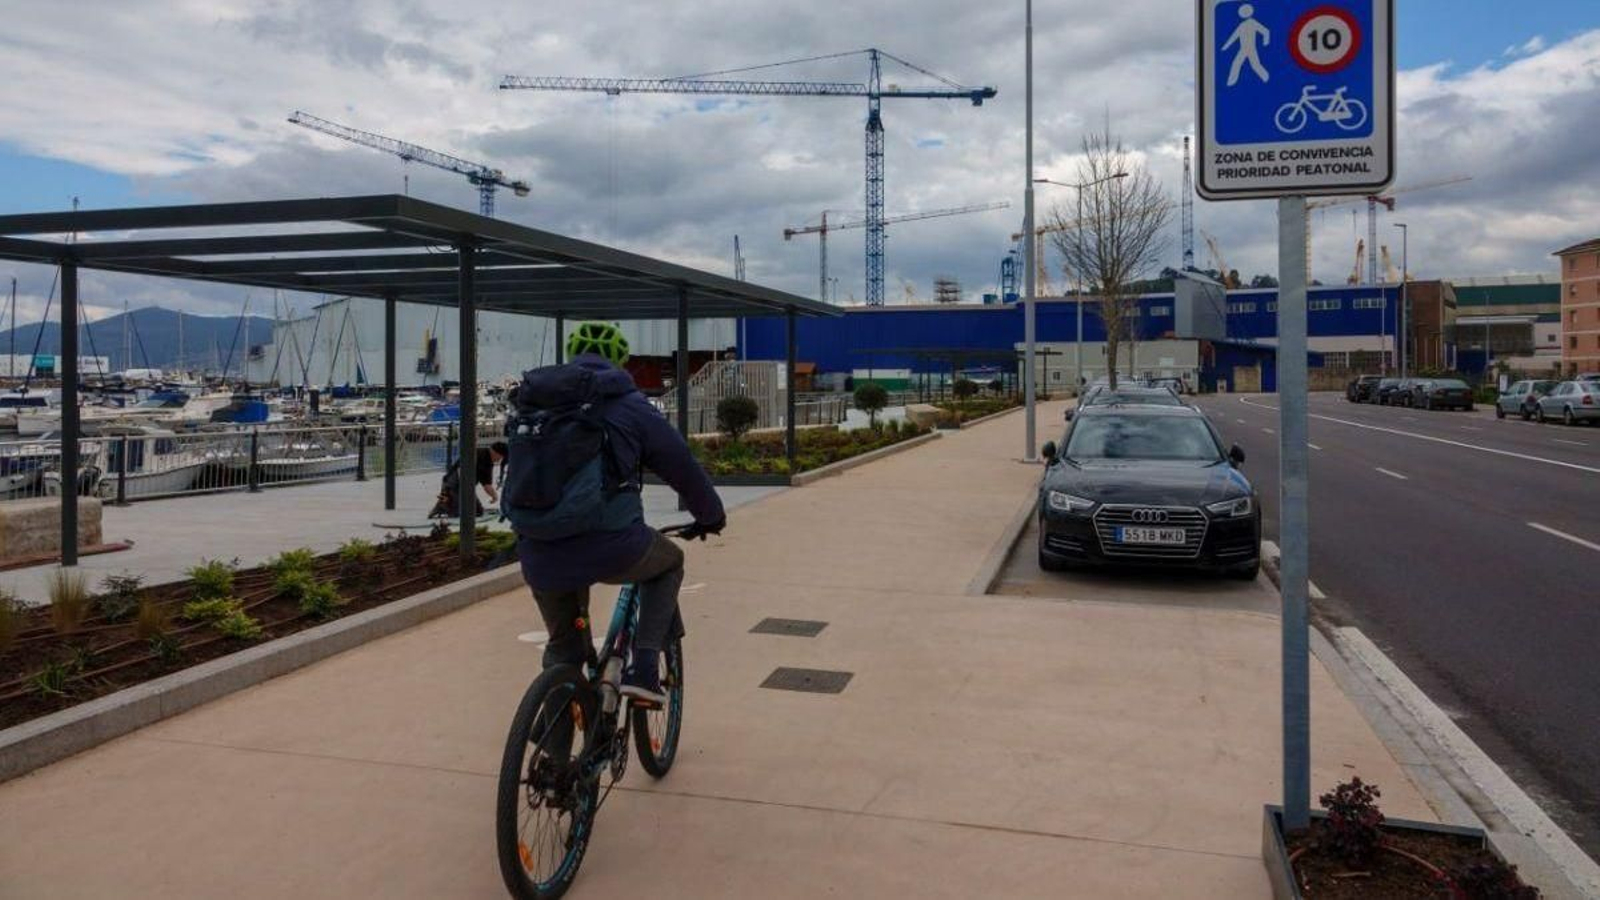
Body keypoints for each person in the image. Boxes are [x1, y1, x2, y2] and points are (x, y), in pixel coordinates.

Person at [515, 322, 724, 707]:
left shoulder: (541, 402)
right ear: (620, 362)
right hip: (613, 545)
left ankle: (554, 758)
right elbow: (680, 465)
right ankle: (643, 669)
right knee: (669, 563)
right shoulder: (629, 403)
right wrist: (710, 515)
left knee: (564, 649)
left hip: (539, 549)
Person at [430, 440, 507, 519]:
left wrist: (493, 495)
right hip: (454, 485)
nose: (499, 460)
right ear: (496, 453)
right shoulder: (482, 458)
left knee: (477, 512)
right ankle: (444, 505)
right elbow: (486, 485)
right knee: (459, 514)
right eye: (500, 457)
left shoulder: (483, 455)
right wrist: (495, 496)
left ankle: (448, 502)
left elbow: (486, 484)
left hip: (463, 486)